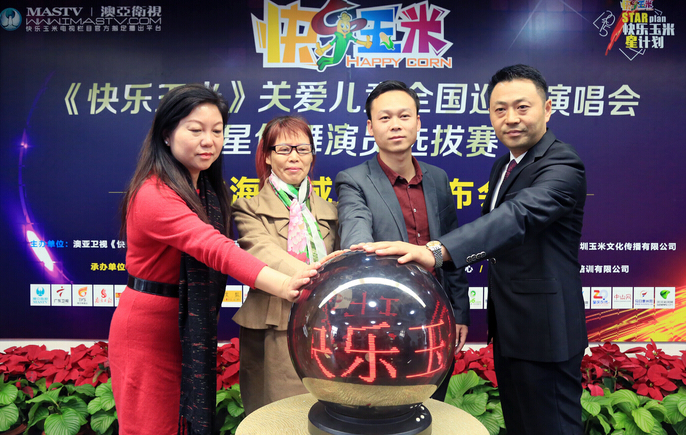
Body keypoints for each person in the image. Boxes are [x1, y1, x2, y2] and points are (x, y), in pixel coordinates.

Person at [358, 65, 588, 435]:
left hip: (546, 331)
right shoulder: (505, 166)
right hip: (512, 330)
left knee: (553, 427)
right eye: (500, 109)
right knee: (522, 425)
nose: (511, 118)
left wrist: (435, 251)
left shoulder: (562, 163)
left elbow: (517, 217)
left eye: (522, 107)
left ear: (547, 109)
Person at [108, 85, 318, 435]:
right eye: (195, 130)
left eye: (217, 131)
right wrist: (285, 284)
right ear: (166, 134)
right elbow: (215, 248)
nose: (209, 141)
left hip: (188, 324)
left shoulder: (205, 189)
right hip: (150, 332)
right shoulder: (154, 193)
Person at [334, 80, 470, 402]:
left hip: (436, 318)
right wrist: (363, 249)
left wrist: (460, 313)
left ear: (418, 122)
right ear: (370, 127)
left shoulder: (438, 178)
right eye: (385, 117)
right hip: (382, 320)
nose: (395, 124)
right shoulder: (353, 179)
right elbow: (356, 235)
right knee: (383, 408)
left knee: (433, 405)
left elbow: (452, 248)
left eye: (404, 116)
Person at [231, 116, 339, 415]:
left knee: (327, 413)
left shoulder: (332, 211)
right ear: (267, 156)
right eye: (283, 149)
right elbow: (260, 249)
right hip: (274, 323)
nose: (294, 157)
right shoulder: (248, 208)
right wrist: (318, 277)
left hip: (327, 325)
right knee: (278, 414)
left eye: (303, 149)